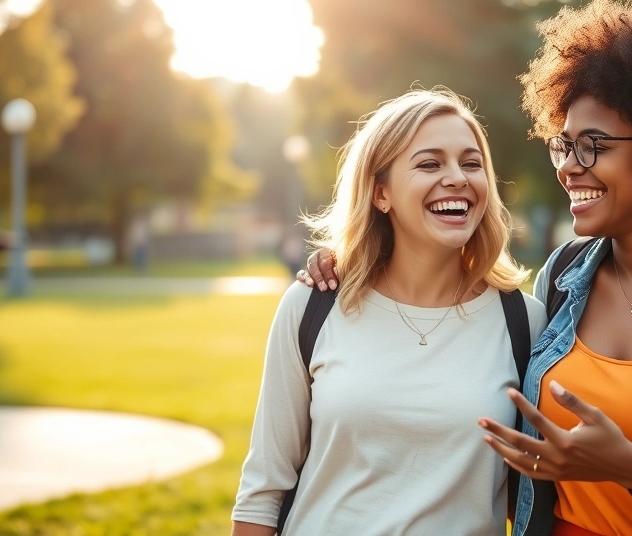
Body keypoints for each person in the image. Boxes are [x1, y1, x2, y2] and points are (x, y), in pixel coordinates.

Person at [301, 0, 632, 536]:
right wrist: (360, 252)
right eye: (564, 146)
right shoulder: (563, 276)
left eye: (593, 146)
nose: (570, 168)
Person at [232, 88, 547, 536]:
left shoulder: (525, 323)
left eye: (471, 163)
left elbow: (536, 494)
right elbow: (263, 488)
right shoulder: (313, 305)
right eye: (429, 163)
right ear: (382, 193)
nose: (457, 177)